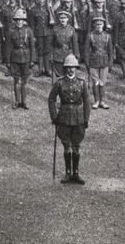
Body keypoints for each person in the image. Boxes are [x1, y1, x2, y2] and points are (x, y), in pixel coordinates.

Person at [48, 54, 90, 185]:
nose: (71, 70)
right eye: (68, 67)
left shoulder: (82, 83)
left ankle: (76, 173)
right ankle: (67, 173)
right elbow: (51, 99)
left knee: (77, 146)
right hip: (64, 117)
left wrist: (86, 118)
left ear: (76, 68)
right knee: (66, 146)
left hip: (78, 117)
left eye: (73, 67)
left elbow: (87, 102)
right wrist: (54, 116)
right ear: (65, 68)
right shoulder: (59, 82)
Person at [84, 17, 113, 110]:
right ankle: (96, 101)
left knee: (102, 82)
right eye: (97, 25)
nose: (98, 26)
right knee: (95, 82)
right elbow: (86, 50)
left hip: (104, 61)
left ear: (103, 25)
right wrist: (87, 63)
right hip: (93, 61)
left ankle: (102, 101)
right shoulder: (90, 35)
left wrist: (110, 62)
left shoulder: (107, 36)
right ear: (94, 25)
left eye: (100, 24)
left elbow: (110, 51)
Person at [7, 8, 34, 109]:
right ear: (15, 20)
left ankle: (24, 101)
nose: (19, 21)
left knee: (25, 81)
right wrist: (8, 61)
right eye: (17, 19)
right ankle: (17, 101)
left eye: (21, 19)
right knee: (16, 80)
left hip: (26, 58)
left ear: (24, 20)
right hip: (15, 57)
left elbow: (32, 46)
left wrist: (32, 59)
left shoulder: (28, 30)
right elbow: (8, 47)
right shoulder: (11, 31)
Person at [51, 9, 79, 79]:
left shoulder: (71, 30)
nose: (62, 20)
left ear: (67, 19)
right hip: (58, 55)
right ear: (59, 19)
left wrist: (76, 55)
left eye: (64, 18)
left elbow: (75, 44)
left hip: (68, 54)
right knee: (59, 76)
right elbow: (51, 44)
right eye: (61, 18)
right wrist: (51, 55)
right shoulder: (55, 29)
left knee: (69, 74)